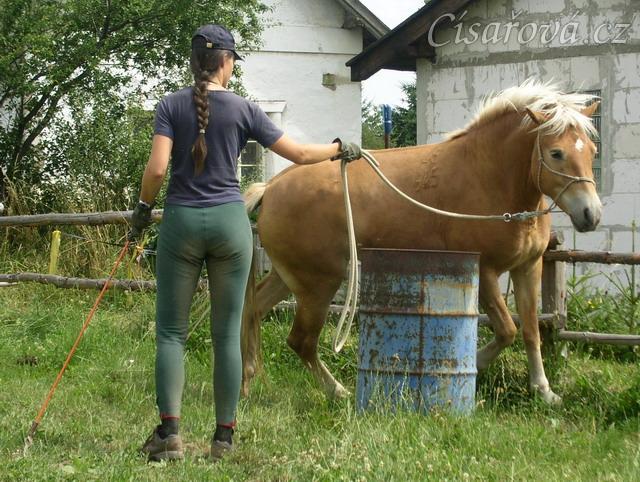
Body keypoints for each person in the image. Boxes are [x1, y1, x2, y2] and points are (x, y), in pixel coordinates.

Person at [129, 24, 361, 462]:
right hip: (230, 225)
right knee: (226, 333)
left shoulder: (169, 105)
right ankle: (223, 438)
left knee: (172, 333)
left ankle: (170, 435)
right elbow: (299, 155)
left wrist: (142, 210)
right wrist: (337, 149)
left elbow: (157, 170)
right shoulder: (245, 109)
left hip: (181, 223)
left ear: (195, 62)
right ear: (226, 62)